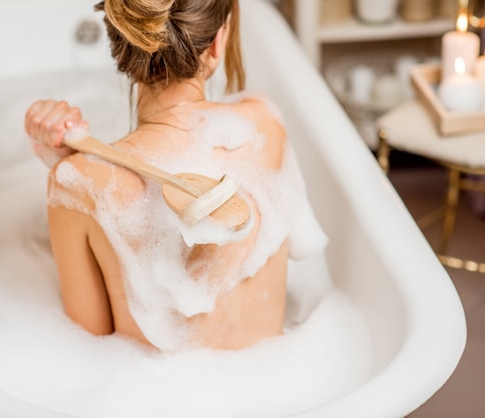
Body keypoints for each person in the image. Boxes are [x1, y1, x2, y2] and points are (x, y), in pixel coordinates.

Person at [24, 0, 326, 352]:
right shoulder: (265, 124)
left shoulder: (78, 186)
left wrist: (73, 170)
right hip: (281, 393)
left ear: (119, 40)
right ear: (217, 42)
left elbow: (89, 350)